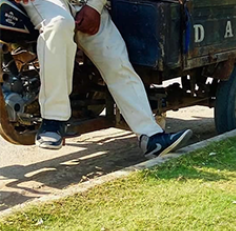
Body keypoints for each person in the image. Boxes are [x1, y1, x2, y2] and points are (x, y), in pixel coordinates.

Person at [18, 0, 192, 156]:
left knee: (117, 62)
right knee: (58, 25)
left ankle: (152, 137)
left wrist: (94, 7)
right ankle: (52, 120)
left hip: (89, 5)